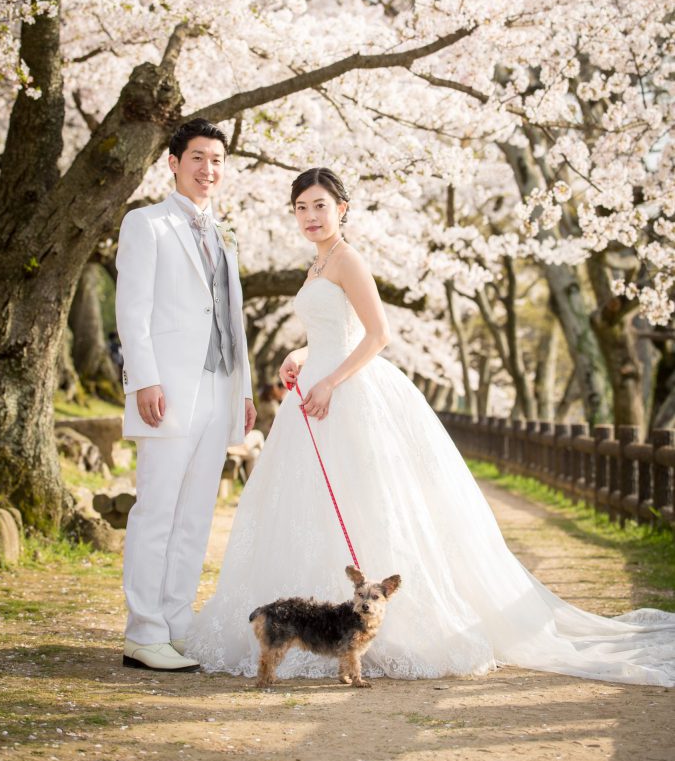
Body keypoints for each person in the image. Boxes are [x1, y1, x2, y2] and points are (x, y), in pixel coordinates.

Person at [187, 167, 675, 687]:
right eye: (301, 208)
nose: (310, 216)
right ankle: (314, 628)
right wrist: (300, 355)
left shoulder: (348, 259)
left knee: (366, 498)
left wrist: (329, 381)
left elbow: (378, 334)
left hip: (346, 392)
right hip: (315, 390)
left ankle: (370, 630)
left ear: (342, 209)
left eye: (320, 206)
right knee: (303, 502)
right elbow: (334, 331)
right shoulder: (317, 263)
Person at [115, 119, 256, 672]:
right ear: (173, 163)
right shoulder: (146, 223)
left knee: (196, 514)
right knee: (157, 510)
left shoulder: (225, 233)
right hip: (168, 389)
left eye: (217, 160)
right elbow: (133, 310)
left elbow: (234, 319)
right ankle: (143, 631)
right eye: (197, 157)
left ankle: (176, 623)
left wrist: (244, 390)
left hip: (220, 387)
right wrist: (143, 379)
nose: (208, 169)